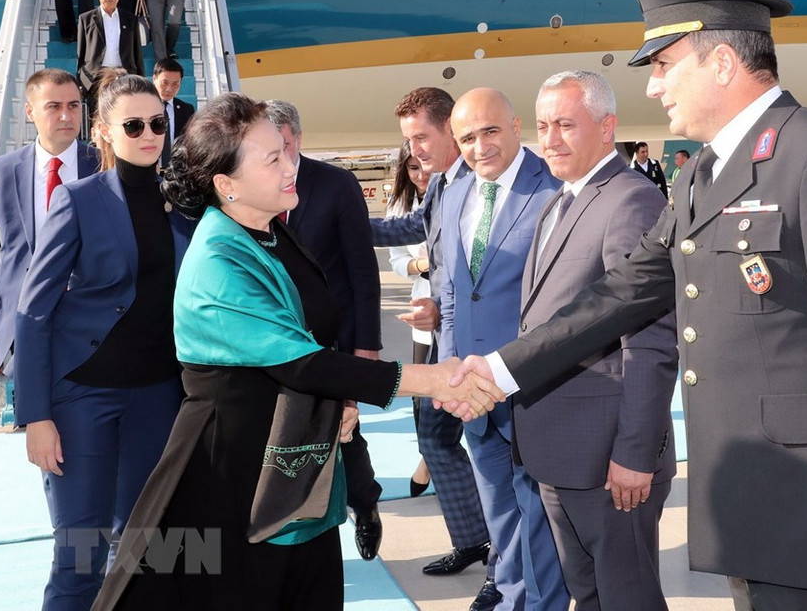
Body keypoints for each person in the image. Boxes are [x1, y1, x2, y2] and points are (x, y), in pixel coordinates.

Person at [453, 0, 807, 610]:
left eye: (666, 66)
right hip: (747, 496)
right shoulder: (702, 173)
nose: (653, 85)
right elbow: (622, 294)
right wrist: (501, 370)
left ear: (723, 62)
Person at [89, 92, 503, 611]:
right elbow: (300, 360)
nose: (292, 167)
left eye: (287, 152)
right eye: (273, 159)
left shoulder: (269, 232)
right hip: (236, 485)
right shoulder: (218, 256)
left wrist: (339, 409)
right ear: (226, 184)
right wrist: (435, 379)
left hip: (298, 474)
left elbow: (316, 343)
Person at [14, 74, 192, 610]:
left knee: (148, 548)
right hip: (83, 396)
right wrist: (36, 416)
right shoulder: (77, 199)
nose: (148, 134)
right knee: (79, 553)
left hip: (160, 396)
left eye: (158, 123)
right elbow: (33, 310)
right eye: (133, 124)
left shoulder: (185, 203)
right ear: (105, 133)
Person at [521, 70, 677, 610]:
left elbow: (652, 342)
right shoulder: (556, 202)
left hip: (610, 463)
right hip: (560, 453)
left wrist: (636, 454)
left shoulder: (630, 200)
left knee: (627, 598)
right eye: (543, 126)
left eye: (565, 124)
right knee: (586, 597)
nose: (549, 140)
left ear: (607, 127)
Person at [368, 88, 499, 611]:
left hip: (478, 354)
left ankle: (504, 568)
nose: (414, 150)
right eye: (409, 140)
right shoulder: (443, 184)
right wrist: (338, 219)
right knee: (434, 437)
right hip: (445, 343)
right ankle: (472, 539)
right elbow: (410, 229)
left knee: (492, 459)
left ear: (451, 129)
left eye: (422, 137)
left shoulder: (482, 185)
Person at [439, 88, 568, 610]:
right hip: (475, 396)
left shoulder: (555, 189)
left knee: (539, 521)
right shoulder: (455, 193)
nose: (479, 146)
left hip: (532, 389)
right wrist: (452, 373)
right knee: (503, 519)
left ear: (517, 127)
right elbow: (452, 293)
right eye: (467, 137)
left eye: (490, 131)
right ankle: (514, 598)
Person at [264, 99, 385, 561]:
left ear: (299, 138)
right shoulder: (252, 188)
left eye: (286, 147)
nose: (280, 158)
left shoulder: (335, 185)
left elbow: (362, 271)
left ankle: (365, 505)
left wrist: (366, 347)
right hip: (272, 342)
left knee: (344, 430)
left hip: (330, 340)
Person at [0, 69, 100, 409]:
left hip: (91, 330)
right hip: (23, 331)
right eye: (53, 106)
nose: (66, 116)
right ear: (30, 111)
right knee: (39, 433)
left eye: (74, 105)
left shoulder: (104, 167)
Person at [385, 140, 432, 497]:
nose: (420, 175)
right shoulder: (401, 204)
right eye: (412, 168)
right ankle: (428, 457)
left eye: (423, 166)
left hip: (459, 305)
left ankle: (430, 462)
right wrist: (423, 265)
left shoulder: (456, 190)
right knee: (421, 394)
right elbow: (397, 261)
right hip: (422, 302)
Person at [77, 0, 144, 95]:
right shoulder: (86, 19)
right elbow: (81, 55)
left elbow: (137, 52)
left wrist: (141, 79)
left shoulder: (130, 20)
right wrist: (80, 83)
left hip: (124, 75)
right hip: (96, 77)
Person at [151, 58, 194, 167]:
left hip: (175, 172)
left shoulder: (187, 110)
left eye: (175, 84)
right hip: (149, 168)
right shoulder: (143, 107)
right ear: (154, 79)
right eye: (164, 83)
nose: (169, 89)